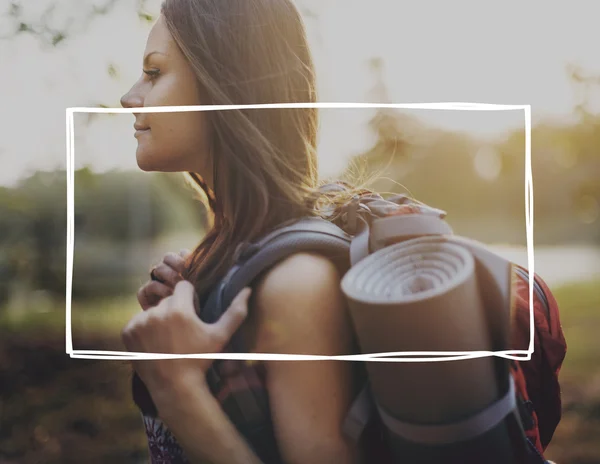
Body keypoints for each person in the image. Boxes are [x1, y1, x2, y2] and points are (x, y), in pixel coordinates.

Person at [119, 1, 368, 462]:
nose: (129, 98)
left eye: (154, 73)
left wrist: (176, 386)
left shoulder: (297, 280)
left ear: (225, 84)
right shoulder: (229, 255)